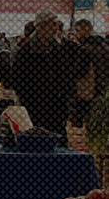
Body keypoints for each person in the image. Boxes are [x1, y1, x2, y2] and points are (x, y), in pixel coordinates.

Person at [13, 9, 84, 146]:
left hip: (57, 109)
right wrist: (31, 99)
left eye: (56, 24)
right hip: (36, 110)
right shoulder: (27, 50)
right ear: (41, 26)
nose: (56, 28)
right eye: (52, 24)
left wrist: (66, 95)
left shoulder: (58, 48)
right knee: (37, 147)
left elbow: (65, 75)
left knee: (59, 147)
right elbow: (17, 79)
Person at [73, 19, 109, 127]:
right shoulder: (104, 46)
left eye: (78, 31)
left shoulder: (84, 48)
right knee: (97, 124)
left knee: (81, 125)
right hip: (102, 91)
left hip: (85, 92)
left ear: (87, 30)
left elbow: (79, 72)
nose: (76, 34)